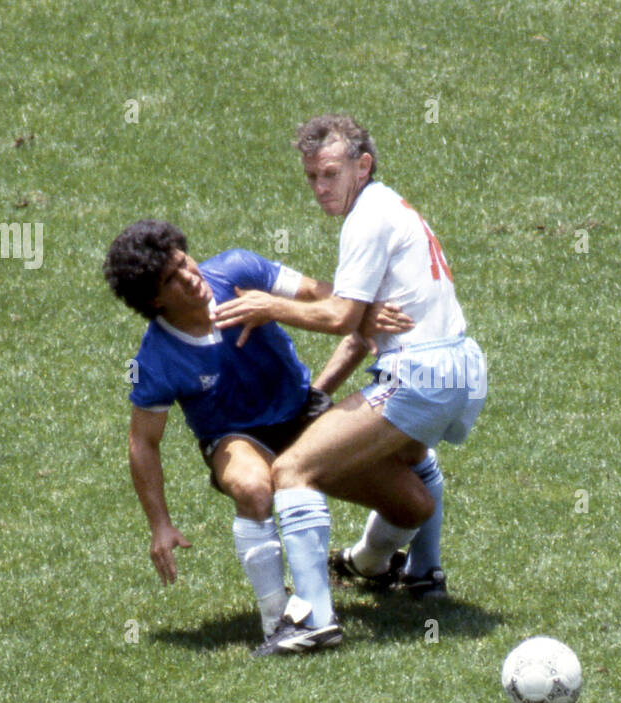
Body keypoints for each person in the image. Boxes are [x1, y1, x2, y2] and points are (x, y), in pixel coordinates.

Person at [212, 114, 487, 656]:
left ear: (362, 166)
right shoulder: (390, 206)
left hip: (420, 376)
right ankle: (420, 574)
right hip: (460, 368)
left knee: (292, 469)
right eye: (312, 177)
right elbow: (363, 333)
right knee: (408, 456)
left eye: (330, 174)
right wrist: (322, 392)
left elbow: (340, 317)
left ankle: (314, 620)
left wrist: (271, 307)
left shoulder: (366, 220)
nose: (320, 188)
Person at [102, 219, 417, 651]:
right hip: (235, 438)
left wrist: (367, 311)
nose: (190, 278)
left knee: (413, 506)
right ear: (154, 300)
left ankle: (363, 562)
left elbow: (320, 294)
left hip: (303, 416)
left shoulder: (237, 270)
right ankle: (277, 623)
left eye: (184, 263)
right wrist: (160, 525)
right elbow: (143, 443)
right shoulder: (155, 359)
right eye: (172, 280)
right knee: (252, 487)